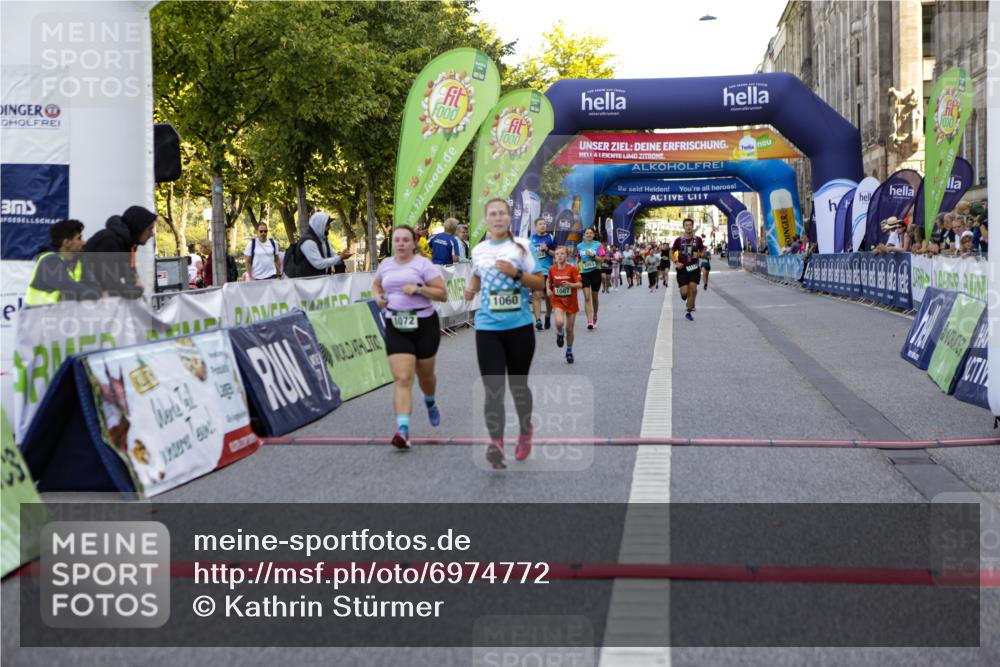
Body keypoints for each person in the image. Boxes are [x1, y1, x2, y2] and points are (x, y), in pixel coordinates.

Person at [463, 198, 545, 469]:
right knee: (493, 389)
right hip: (487, 327)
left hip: (519, 326)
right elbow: (477, 274)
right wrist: (471, 288)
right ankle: (496, 443)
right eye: (492, 214)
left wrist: (517, 273)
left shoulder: (522, 246)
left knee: (518, 386)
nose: (497, 218)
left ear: (509, 218)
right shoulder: (479, 250)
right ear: (486, 219)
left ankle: (524, 430)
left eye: (502, 214)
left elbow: (540, 283)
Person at [372, 225, 449, 449]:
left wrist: (418, 289)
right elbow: (376, 284)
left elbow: (442, 294)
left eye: (406, 240)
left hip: (424, 325)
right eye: (397, 240)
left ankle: (430, 401)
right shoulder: (386, 264)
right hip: (396, 324)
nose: (401, 244)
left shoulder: (423, 265)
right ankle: (403, 430)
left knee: (426, 378)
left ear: (414, 243)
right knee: (403, 378)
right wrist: (378, 297)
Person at [83, 205, 157, 298]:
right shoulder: (109, 241)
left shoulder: (128, 244)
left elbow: (132, 279)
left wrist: (135, 288)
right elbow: (111, 285)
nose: (152, 233)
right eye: (149, 228)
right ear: (138, 227)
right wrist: (137, 291)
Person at [25, 219, 101, 306]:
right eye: (79, 238)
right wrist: (80, 291)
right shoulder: (49, 261)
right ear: (66, 243)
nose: (83, 242)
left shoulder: (79, 262)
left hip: (60, 315)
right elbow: (72, 290)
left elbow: (97, 289)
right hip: (37, 315)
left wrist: (76, 292)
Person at [288, 211, 353, 277]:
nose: (330, 227)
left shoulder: (324, 240)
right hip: (306, 283)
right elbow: (319, 264)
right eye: (327, 224)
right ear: (319, 225)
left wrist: (341, 256)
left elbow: (332, 255)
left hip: (321, 281)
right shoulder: (308, 242)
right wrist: (340, 257)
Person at [547, 246, 582, 364]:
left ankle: (569, 351)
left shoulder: (572, 269)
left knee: (570, 329)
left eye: (562, 254)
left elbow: (580, 284)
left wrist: (570, 285)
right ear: (555, 257)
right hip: (558, 300)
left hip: (571, 301)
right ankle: (560, 333)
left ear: (567, 256)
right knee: (559, 323)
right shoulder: (552, 269)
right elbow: (549, 280)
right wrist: (548, 289)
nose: (559, 256)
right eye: (557, 254)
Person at [671, 217, 705, 321]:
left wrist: (699, 254)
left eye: (690, 225)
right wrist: (676, 262)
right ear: (684, 227)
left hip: (694, 268)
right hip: (682, 269)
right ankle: (687, 300)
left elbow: (703, 252)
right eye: (687, 225)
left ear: (692, 226)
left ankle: (689, 311)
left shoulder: (698, 239)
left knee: (693, 289)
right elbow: (671, 252)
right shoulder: (679, 240)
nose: (688, 227)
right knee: (684, 293)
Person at [576, 226, 605, 330]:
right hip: (584, 273)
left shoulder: (598, 245)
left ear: (593, 235)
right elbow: (578, 259)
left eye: (590, 233)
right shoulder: (579, 246)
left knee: (594, 297)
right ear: (584, 235)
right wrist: (577, 269)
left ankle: (595, 315)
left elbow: (602, 260)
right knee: (587, 297)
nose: (588, 235)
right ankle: (589, 321)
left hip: (596, 272)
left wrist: (593, 255)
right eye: (587, 233)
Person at [529, 218, 555, 330]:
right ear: (536, 226)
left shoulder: (551, 238)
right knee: (536, 295)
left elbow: (556, 254)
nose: (543, 226)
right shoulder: (530, 239)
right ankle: (538, 320)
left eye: (544, 224)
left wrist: (547, 249)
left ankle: (548, 315)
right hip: (536, 272)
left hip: (548, 271)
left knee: (549, 297)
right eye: (540, 224)